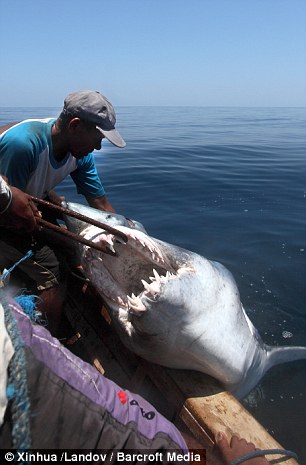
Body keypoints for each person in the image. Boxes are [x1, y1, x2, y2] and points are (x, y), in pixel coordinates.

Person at [0, 90, 126, 334]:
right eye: (98, 136)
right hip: (5, 212)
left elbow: (100, 204)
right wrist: (58, 240)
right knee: (52, 271)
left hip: (23, 204)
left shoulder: (81, 155)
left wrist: (126, 240)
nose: (99, 146)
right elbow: (11, 213)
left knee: (72, 250)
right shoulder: (24, 144)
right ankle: (47, 345)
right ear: (76, 126)